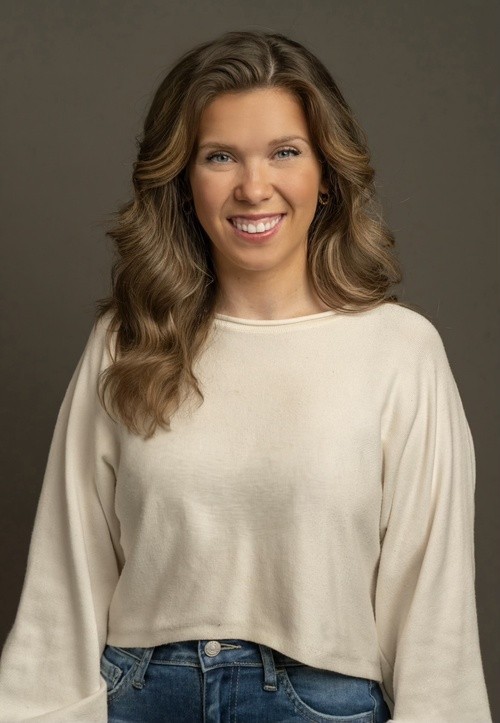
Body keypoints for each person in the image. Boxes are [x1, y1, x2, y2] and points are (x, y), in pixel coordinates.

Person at [0, 29, 492, 722]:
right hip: (140, 698)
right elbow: (67, 567)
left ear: (326, 174)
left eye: (285, 152)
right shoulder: (128, 341)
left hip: (321, 703)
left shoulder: (400, 351)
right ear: (183, 180)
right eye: (220, 156)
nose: (254, 188)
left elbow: (434, 599)